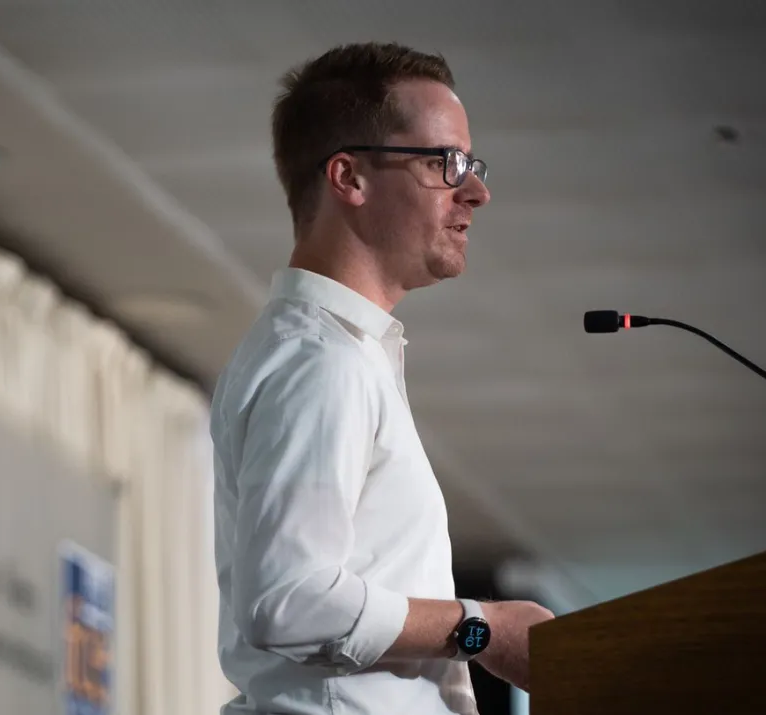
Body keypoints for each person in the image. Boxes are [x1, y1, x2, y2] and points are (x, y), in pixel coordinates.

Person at [208, 41, 556, 715]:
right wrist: (482, 627)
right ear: (350, 178)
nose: (476, 191)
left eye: (471, 165)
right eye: (445, 163)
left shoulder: (335, 354)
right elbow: (287, 600)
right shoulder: (321, 362)